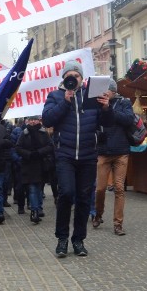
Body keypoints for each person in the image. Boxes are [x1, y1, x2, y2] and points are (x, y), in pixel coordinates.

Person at [42, 60, 113, 258]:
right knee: (66, 193)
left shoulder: (93, 96)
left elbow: (108, 123)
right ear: (64, 79)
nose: (73, 79)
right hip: (65, 154)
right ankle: (62, 239)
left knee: (83, 198)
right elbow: (47, 119)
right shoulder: (55, 96)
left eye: (76, 76)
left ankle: (78, 240)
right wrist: (65, 101)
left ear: (82, 78)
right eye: (69, 76)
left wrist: (107, 107)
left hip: (88, 155)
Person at [94, 78, 135, 235]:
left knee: (119, 188)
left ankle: (118, 224)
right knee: (100, 188)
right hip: (103, 152)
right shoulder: (97, 103)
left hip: (121, 151)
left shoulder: (124, 102)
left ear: (113, 91)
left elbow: (128, 119)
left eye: (107, 91)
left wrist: (109, 109)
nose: (104, 93)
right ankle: (98, 214)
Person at [15, 116, 55, 223]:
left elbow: (50, 146)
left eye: (34, 119)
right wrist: (29, 154)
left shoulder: (43, 133)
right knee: (32, 188)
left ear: (39, 120)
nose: (32, 121)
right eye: (30, 119)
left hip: (41, 164)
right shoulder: (24, 133)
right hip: (28, 165)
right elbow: (18, 148)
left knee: (39, 188)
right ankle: (34, 211)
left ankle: (39, 207)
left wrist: (39, 152)